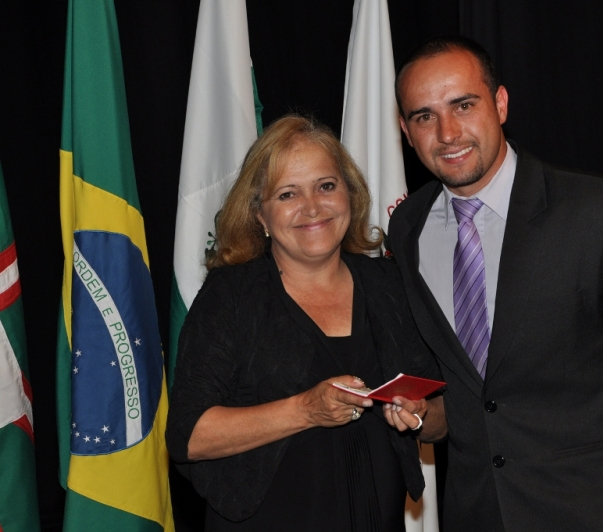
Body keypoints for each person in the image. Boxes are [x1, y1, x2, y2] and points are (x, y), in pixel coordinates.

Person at [387, 35, 603, 531]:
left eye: (463, 105)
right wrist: (422, 414)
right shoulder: (408, 227)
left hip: (599, 514)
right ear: (406, 132)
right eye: (425, 116)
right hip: (477, 515)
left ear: (500, 103)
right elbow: (469, 394)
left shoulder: (599, 212)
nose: (447, 133)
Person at [166, 114, 445, 531]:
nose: (312, 207)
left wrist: (421, 413)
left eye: (326, 186)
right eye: (288, 194)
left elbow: (442, 419)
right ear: (260, 215)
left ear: (350, 194)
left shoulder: (389, 283)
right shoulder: (231, 295)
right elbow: (187, 436)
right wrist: (305, 410)